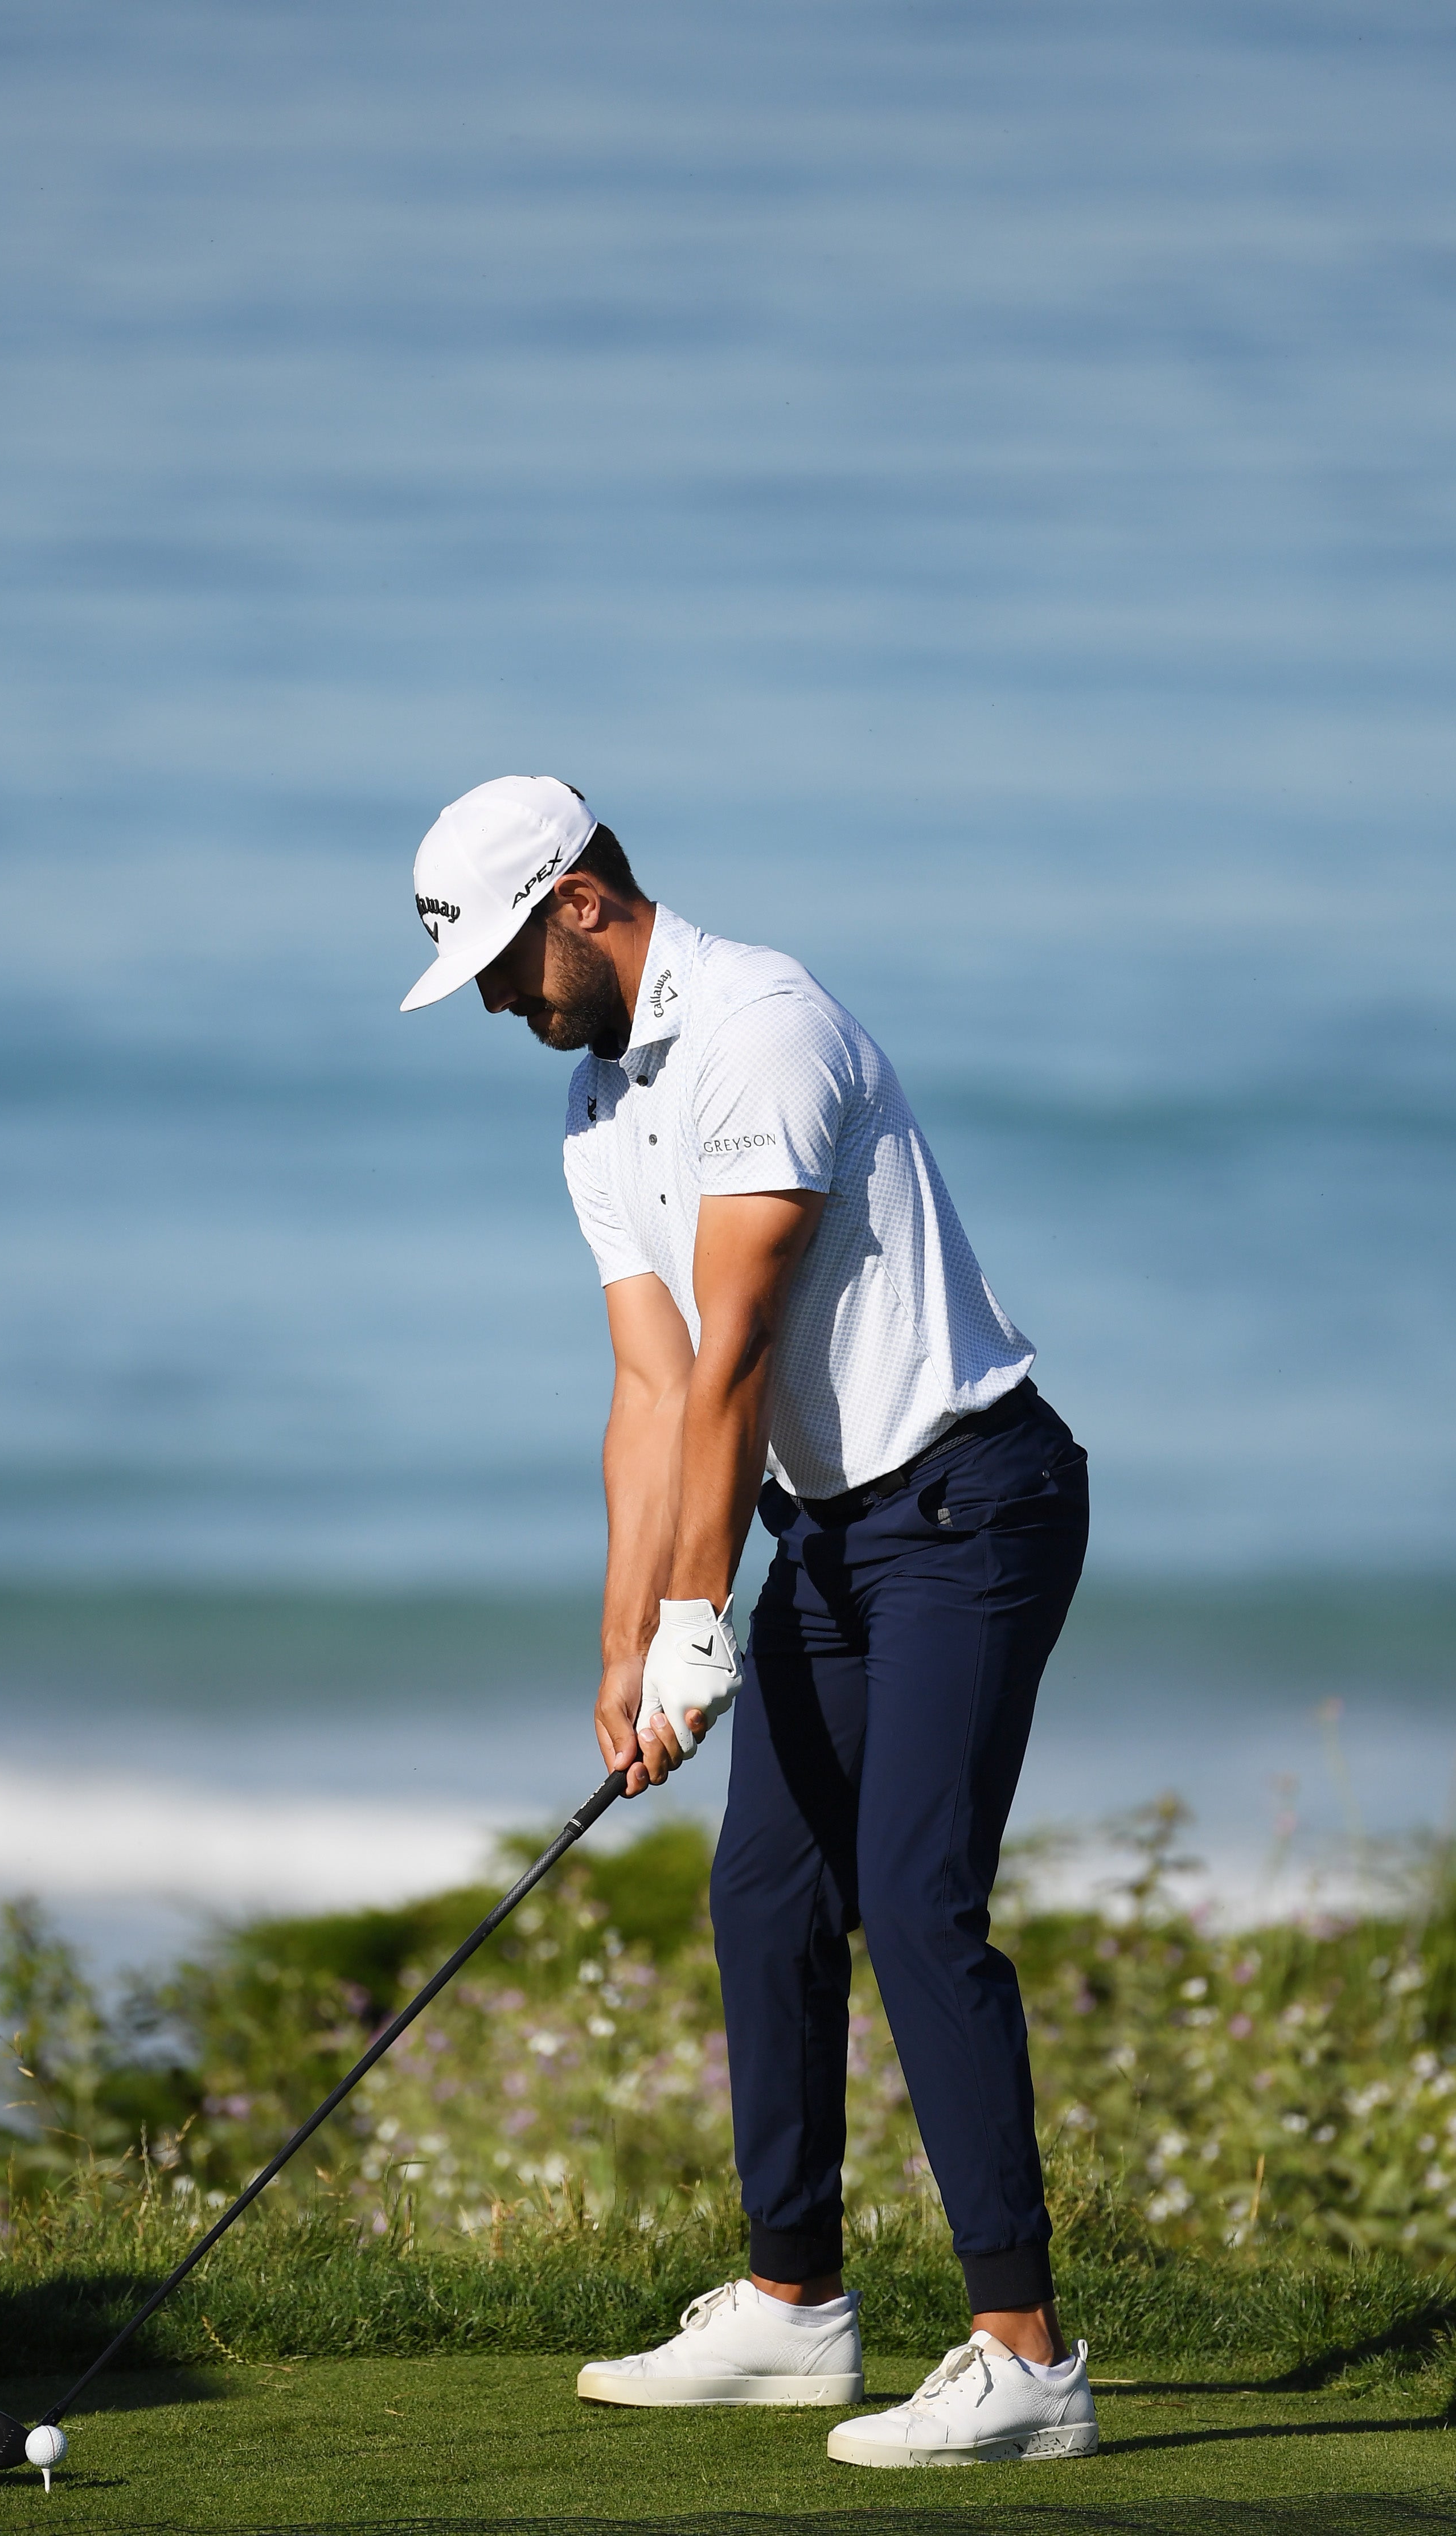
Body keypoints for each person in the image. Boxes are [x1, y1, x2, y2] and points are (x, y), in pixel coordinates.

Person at [401, 776, 1098, 2468]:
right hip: (838, 1538)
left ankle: (1027, 2357)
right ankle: (795, 2310)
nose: (495, 1001)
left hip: (972, 1505)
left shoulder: (764, 1032)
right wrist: (626, 1641)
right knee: (766, 1894)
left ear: (581, 903)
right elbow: (649, 1390)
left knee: (915, 1900)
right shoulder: (595, 1101)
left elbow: (736, 1356)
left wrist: (698, 1613)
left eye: (504, 962)